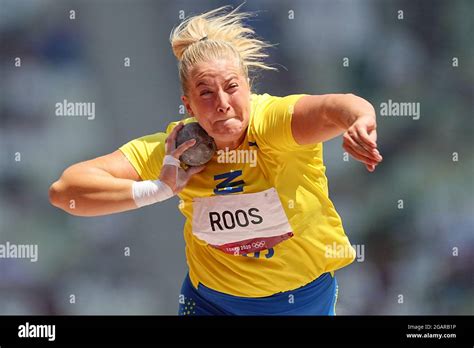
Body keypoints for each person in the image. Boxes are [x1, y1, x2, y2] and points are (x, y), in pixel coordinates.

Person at [49, 5, 382, 315]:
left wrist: (359, 121)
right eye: (206, 93)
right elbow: (65, 191)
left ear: (248, 88)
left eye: (231, 87)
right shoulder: (177, 149)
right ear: (189, 106)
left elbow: (337, 106)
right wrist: (158, 189)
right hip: (212, 303)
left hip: (300, 302)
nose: (222, 103)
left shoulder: (274, 123)